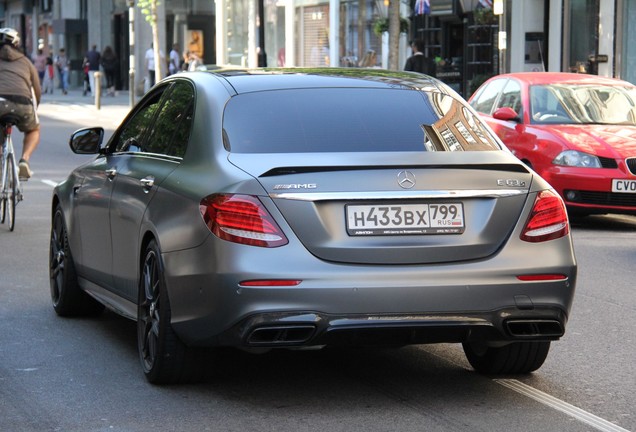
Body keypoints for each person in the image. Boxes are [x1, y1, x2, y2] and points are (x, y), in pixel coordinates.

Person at [0, 28, 41, 180]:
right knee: (33, 130)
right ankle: (25, 160)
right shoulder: (26, 62)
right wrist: (34, 110)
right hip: (23, 104)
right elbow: (36, 89)